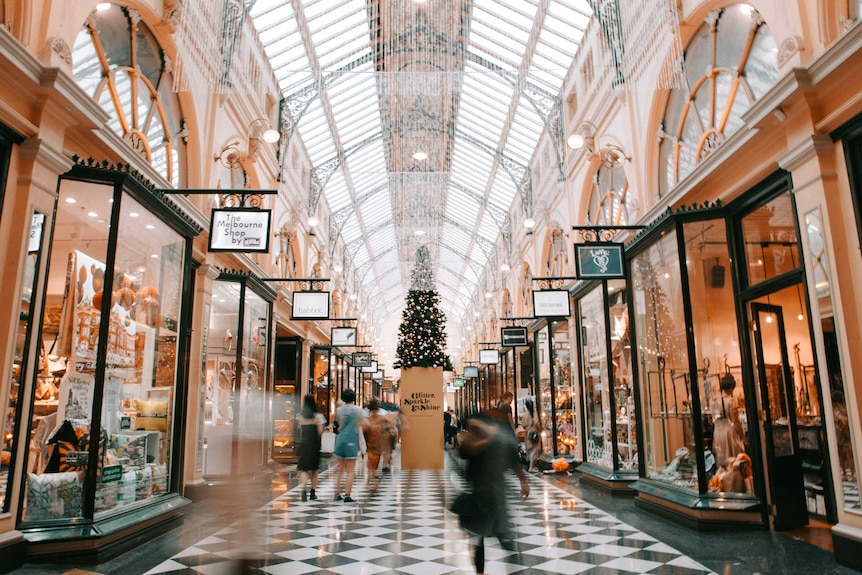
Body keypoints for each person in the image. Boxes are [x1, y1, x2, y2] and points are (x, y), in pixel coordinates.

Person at [457, 411, 530, 575]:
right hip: (481, 496)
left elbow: (513, 460)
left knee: (502, 538)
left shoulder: (498, 439)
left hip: (494, 496)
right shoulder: (476, 441)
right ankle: (480, 572)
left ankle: (513, 569)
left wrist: (523, 481)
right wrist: (487, 437)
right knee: (481, 539)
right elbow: (466, 450)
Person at [333, 388, 364, 502]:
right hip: (352, 440)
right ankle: (347, 495)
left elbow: (336, 423)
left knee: (340, 470)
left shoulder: (339, 410)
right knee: (350, 471)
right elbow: (362, 423)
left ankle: (336, 494)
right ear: (354, 398)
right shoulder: (358, 410)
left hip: (340, 441)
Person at [711, 374, 747, 470]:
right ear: (731, 387)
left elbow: (712, 419)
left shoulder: (714, 400)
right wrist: (743, 438)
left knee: (721, 459)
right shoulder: (731, 401)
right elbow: (735, 422)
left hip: (718, 432)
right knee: (733, 460)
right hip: (728, 432)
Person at [361, 397, 395, 493]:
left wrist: (388, 431)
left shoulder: (370, 419)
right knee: (372, 464)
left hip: (374, 445)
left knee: (373, 464)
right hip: (373, 445)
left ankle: (371, 483)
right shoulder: (377, 419)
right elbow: (391, 423)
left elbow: (390, 423)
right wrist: (388, 431)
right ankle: (373, 484)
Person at [296, 393, 326, 501]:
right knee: (314, 469)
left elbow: (299, 429)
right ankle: (313, 493)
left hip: (304, 445)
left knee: (304, 469)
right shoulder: (318, 416)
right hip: (314, 445)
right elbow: (320, 432)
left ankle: (303, 490)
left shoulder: (300, 415)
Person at [520, 398, 541, 472]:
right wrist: (539, 429)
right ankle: (531, 466)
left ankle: (531, 465)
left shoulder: (525, 414)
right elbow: (536, 422)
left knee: (530, 449)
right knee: (534, 449)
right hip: (534, 432)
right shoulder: (534, 413)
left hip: (528, 432)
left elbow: (523, 425)